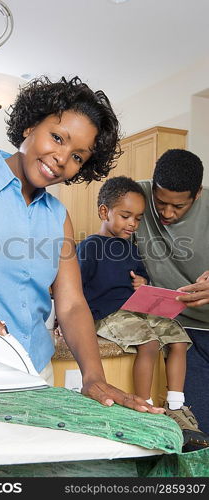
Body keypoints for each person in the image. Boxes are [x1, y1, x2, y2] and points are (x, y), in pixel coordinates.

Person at [0, 76, 164, 414]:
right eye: (57, 137)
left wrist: (93, 376)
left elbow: (72, 304)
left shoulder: (58, 216)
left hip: (34, 374)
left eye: (78, 156)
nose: (62, 158)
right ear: (29, 126)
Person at [76, 176, 209, 449]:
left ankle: (176, 404)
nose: (133, 224)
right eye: (126, 216)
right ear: (104, 212)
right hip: (108, 315)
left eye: (137, 219)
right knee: (148, 344)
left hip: (136, 313)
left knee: (180, 339)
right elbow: (72, 288)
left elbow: (142, 276)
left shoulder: (132, 248)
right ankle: (144, 406)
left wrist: (144, 284)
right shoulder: (90, 246)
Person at [136, 148, 209, 435]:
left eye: (179, 207)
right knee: (197, 431)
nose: (167, 213)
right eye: (160, 202)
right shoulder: (136, 197)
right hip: (182, 333)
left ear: (197, 195)